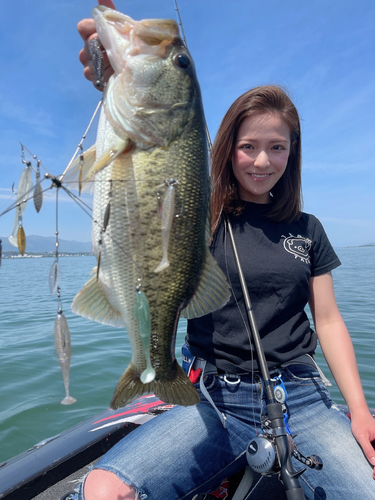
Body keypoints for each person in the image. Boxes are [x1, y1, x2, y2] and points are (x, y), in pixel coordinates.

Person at [76, 3, 375, 499]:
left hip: (299, 396)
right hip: (211, 398)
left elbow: (329, 322)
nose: (262, 160)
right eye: (248, 146)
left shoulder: (309, 230)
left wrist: (360, 410)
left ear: (292, 154)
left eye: (277, 147)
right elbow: (147, 195)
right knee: (105, 489)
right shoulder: (200, 214)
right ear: (227, 148)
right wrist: (113, 77)